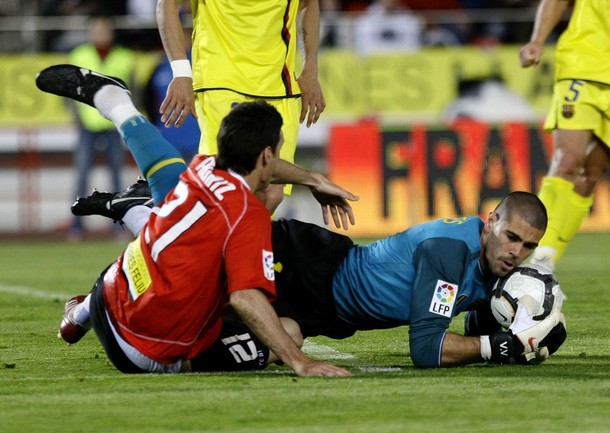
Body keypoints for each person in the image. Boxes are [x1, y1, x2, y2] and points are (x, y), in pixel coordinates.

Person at [36, 64, 357, 376]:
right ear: (266, 155)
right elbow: (246, 298)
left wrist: (312, 178)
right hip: (140, 351)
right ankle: (136, 209)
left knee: (175, 238)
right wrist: (300, 362)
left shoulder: (204, 167)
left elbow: (160, 158)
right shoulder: (248, 216)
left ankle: (87, 301)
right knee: (289, 331)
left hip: (106, 295)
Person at [75, 181, 568, 368]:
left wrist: (525, 329)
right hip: (309, 265)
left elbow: (479, 325)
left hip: (324, 310)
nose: (516, 253)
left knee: (277, 340)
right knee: (196, 267)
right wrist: (499, 348)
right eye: (511, 237)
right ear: (490, 221)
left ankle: (92, 309)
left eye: (528, 246)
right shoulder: (448, 251)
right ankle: (143, 210)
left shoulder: (495, 267)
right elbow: (428, 350)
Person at [156, 0, 325, 212]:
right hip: (219, 81)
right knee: (226, 186)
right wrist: (181, 72)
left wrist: (310, 67)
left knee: (271, 195)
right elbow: (167, 4)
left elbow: (309, 4)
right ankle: (160, 220)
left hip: (279, 86)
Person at [519, 0, 610, 272]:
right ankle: (533, 262)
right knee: (568, 161)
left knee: (590, 175)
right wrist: (537, 40)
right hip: (582, 64)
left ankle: (542, 265)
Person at [67, 15, 136, 240]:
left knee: (116, 178)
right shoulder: (79, 55)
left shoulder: (125, 57)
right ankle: (76, 226)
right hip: (87, 126)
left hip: (115, 125)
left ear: (111, 33)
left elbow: (133, 90)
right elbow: (68, 91)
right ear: (90, 33)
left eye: (104, 30)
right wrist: (76, 117)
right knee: (81, 176)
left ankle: (117, 226)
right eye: (96, 30)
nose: (100, 34)